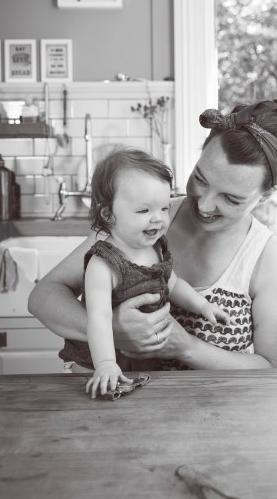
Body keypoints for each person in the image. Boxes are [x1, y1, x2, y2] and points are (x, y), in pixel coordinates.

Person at [29, 96, 277, 371]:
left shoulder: (268, 257)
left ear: (265, 195)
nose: (204, 205)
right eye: (200, 179)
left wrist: (187, 348)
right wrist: (110, 330)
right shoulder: (142, 219)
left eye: (231, 199)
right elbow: (43, 297)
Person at [59, 147, 232, 397]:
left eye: (164, 208)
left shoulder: (156, 248)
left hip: (142, 361)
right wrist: (105, 363)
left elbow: (173, 284)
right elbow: (99, 318)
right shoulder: (103, 263)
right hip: (94, 365)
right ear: (108, 214)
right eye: (143, 211)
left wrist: (202, 306)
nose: (158, 219)